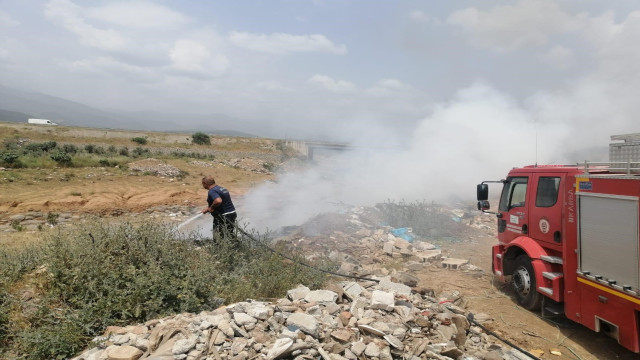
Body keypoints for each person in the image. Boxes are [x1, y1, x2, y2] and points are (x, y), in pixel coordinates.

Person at [201, 176, 238, 242]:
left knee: (218, 236)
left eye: (203, 184)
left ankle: (218, 250)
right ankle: (236, 249)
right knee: (230, 234)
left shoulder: (212, 191)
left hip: (223, 216)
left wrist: (211, 208)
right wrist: (208, 209)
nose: (203, 185)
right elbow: (223, 202)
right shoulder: (221, 188)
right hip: (231, 213)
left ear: (205, 183)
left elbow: (218, 201)